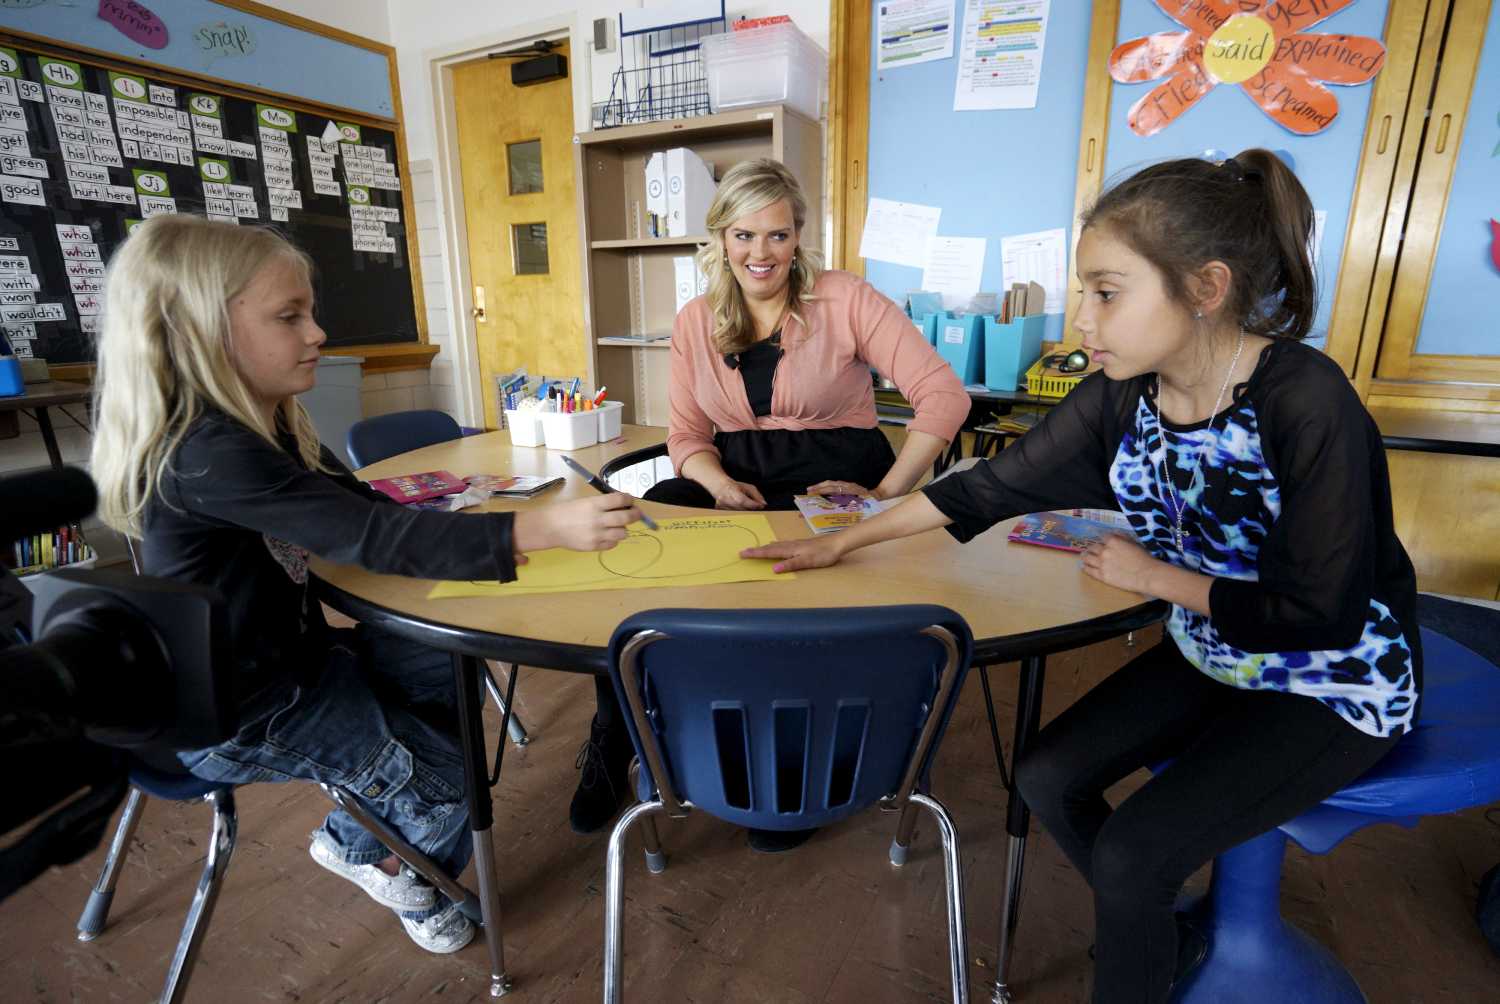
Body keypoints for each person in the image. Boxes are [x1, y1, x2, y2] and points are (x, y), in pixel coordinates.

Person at [743, 149, 1420, 1002]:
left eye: (1106, 292)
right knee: (1045, 776)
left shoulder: (1306, 400)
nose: (1081, 319)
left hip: (1332, 681)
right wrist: (845, 540)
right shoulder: (1122, 395)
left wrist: (1157, 578)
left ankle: (1143, 919)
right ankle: (1158, 935)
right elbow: (990, 486)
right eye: (1083, 290)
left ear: (1205, 288)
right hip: (1218, 652)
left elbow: (1320, 613)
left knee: (1137, 851)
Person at [89, 215, 642, 954]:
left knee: (441, 661)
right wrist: (540, 531)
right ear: (200, 334)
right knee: (453, 778)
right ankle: (365, 849)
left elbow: (358, 508)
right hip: (241, 709)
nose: (318, 333)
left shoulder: (263, 426)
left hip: (295, 661)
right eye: (290, 317)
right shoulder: (206, 453)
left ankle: (382, 830)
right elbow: (369, 538)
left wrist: (491, 528)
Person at [567, 158, 970, 847]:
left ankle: (787, 766)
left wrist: (882, 497)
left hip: (836, 476)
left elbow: (945, 397)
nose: (762, 254)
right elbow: (688, 435)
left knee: (789, 609)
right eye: (745, 235)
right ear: (721, 237)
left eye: (778, 236)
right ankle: (620, 728)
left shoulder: (844, 298)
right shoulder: (696, 320)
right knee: (656, 518)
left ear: (799, 236)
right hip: (738, 476)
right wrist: (718, 485)